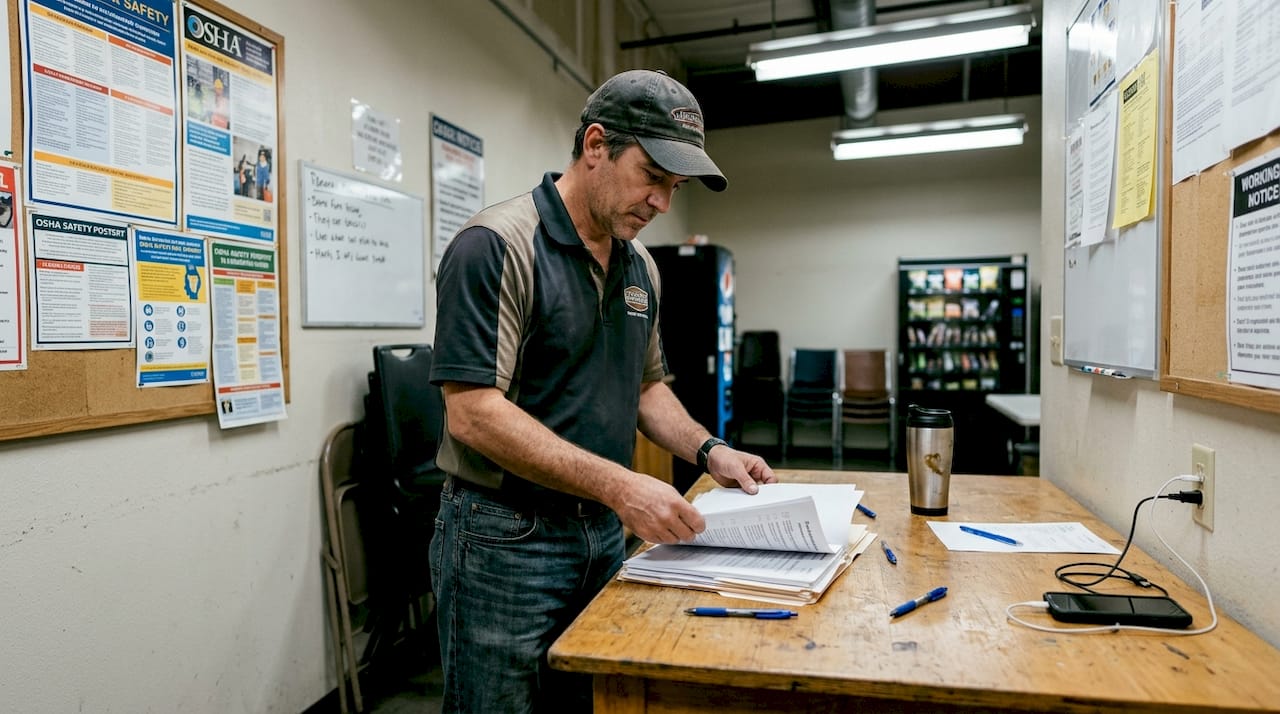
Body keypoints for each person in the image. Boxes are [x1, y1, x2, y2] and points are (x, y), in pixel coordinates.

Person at [428, 69, 776, 713]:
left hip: (602, 534)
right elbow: (473, 414)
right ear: (595, 146)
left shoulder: (640, 264)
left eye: (673, 187)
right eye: (652, 177)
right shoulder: (496, 245)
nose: (662, 204)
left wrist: (709, 451)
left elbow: (647, 387)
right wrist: (621, 485)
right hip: (504, 539)